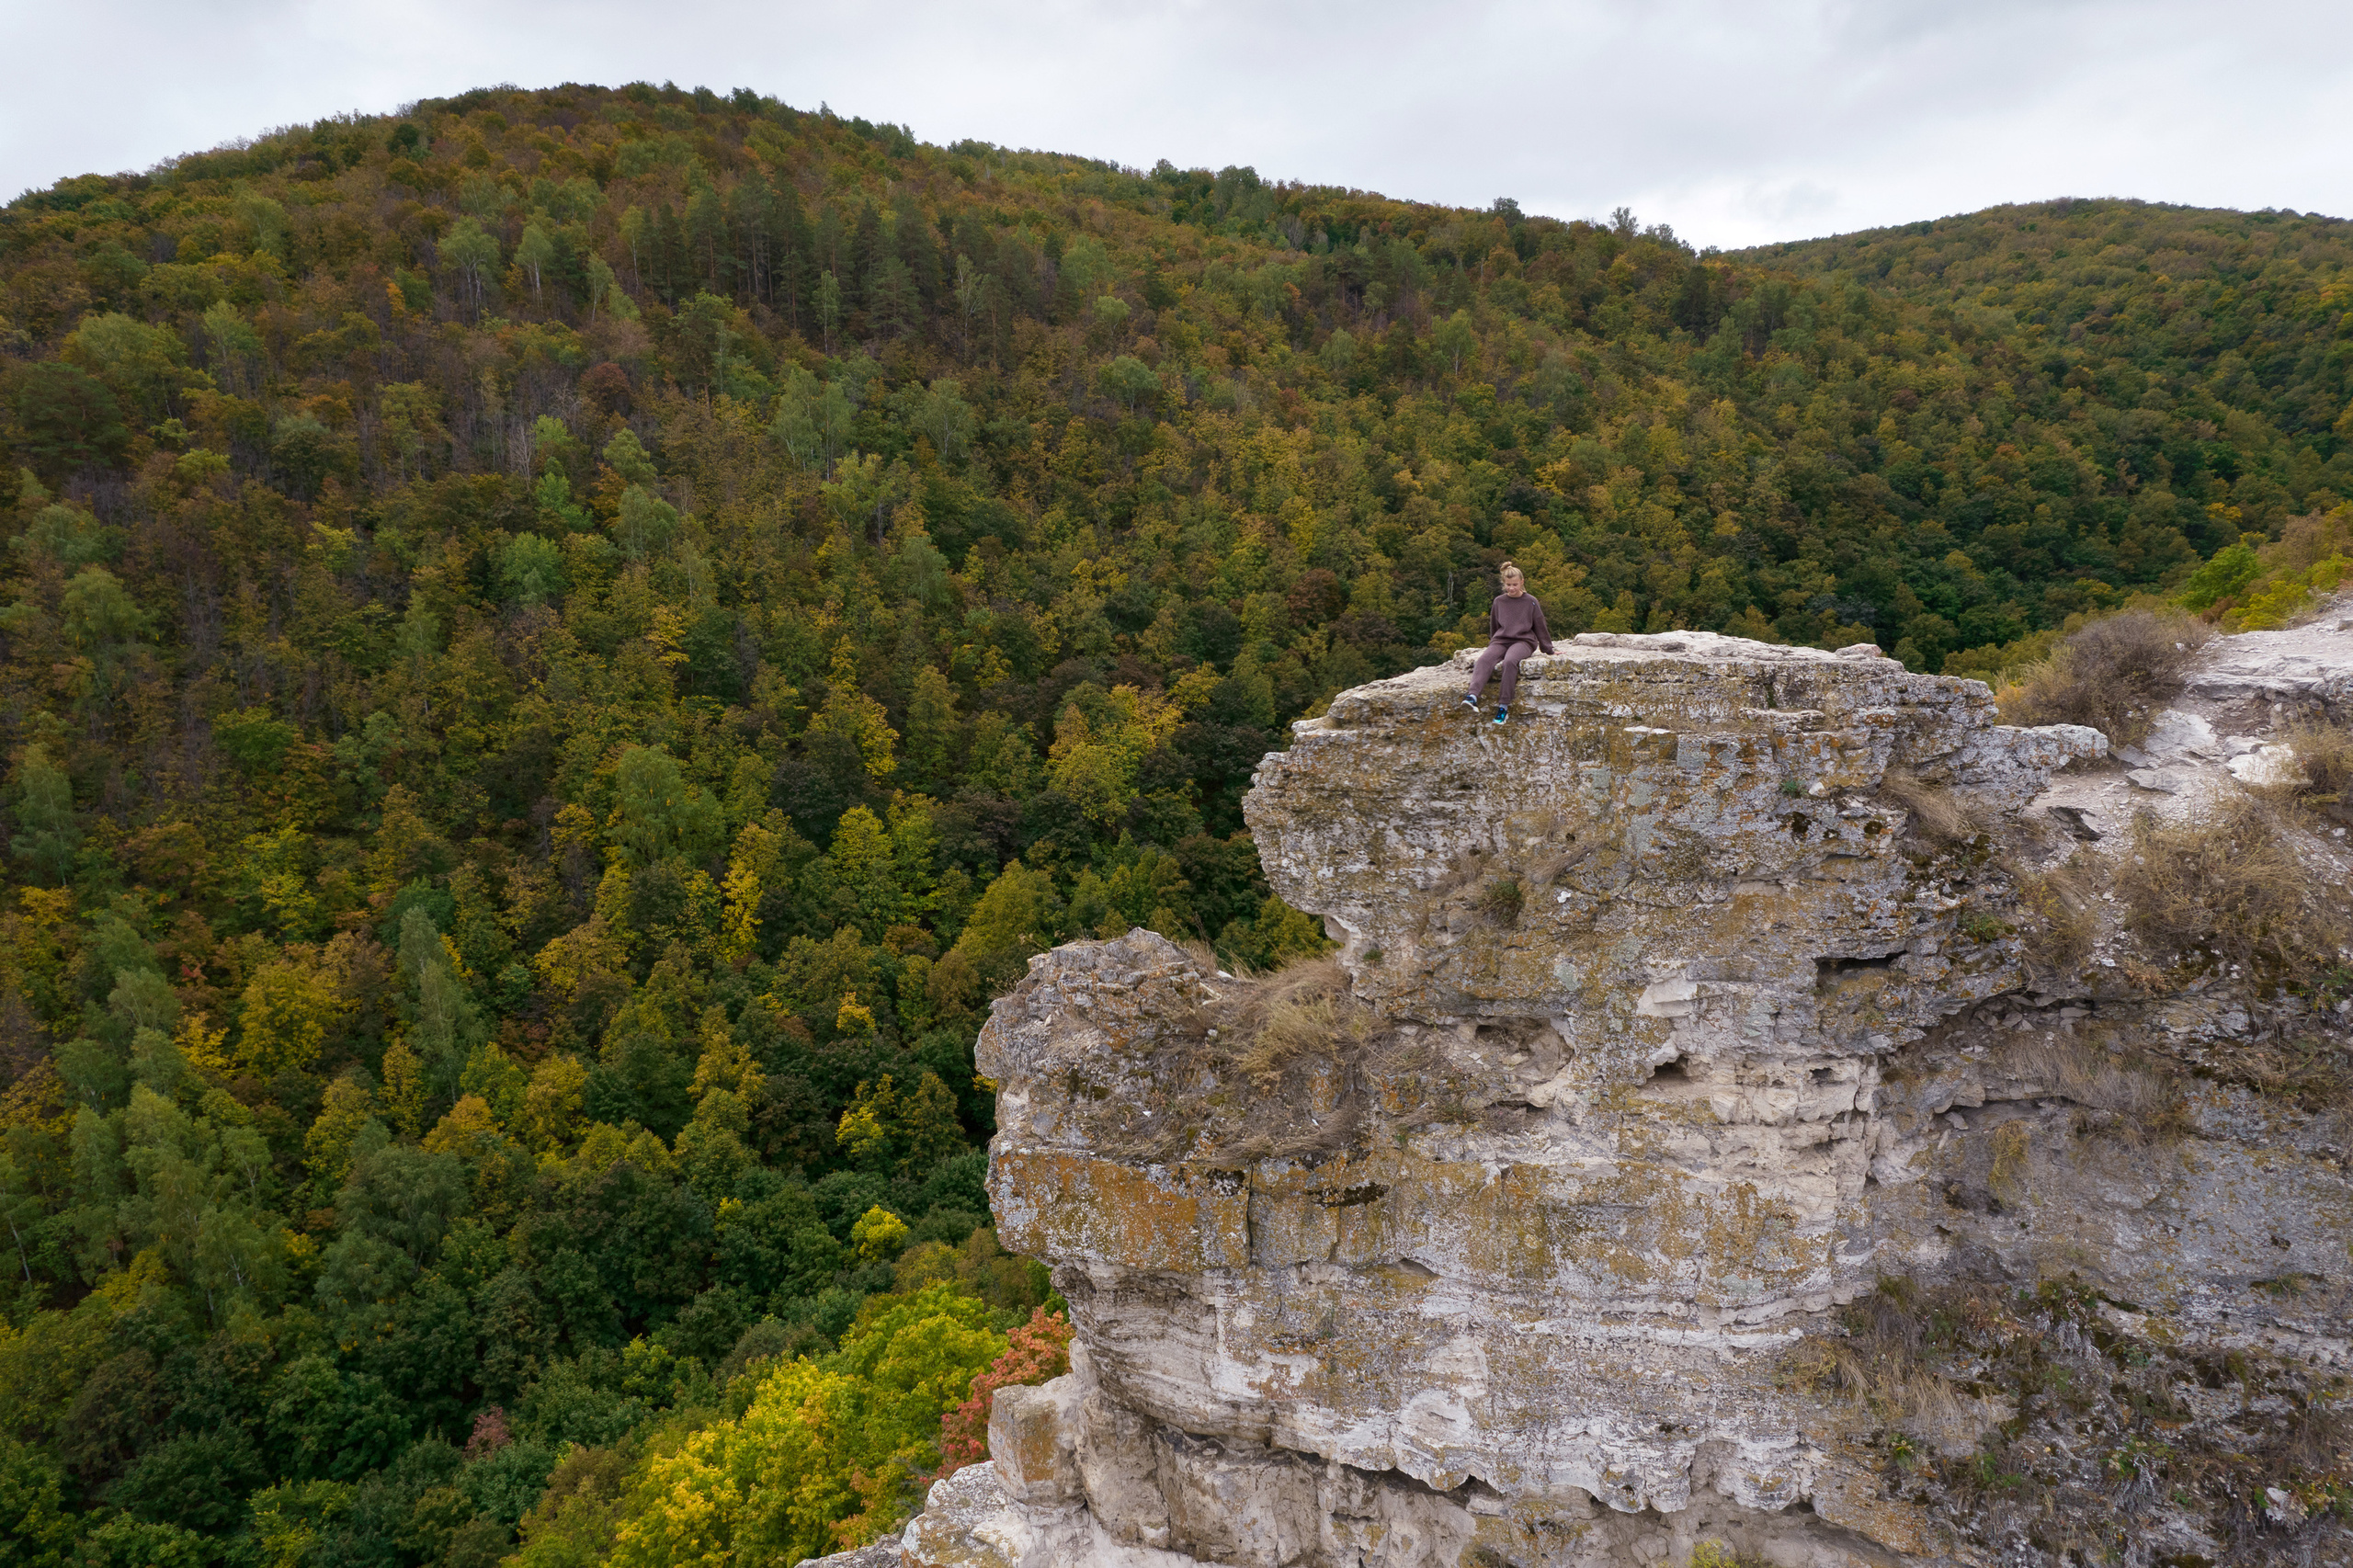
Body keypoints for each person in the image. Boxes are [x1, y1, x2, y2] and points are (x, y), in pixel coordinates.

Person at [1461, 562, 1553, 724]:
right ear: (1504, 584)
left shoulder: (1531, 601)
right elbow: (1494, 626)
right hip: (1501, 640)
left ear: (1522, 582)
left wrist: (1548, 649)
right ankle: (1472, 697)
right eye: (1508, 585)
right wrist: (1493, 646)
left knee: (1510, 662)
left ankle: (1503, 707)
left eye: (1515, 584)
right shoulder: (1499, 601)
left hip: (1524, 641)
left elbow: (1540, 625)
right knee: (1484, 660)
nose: (1511, 588)